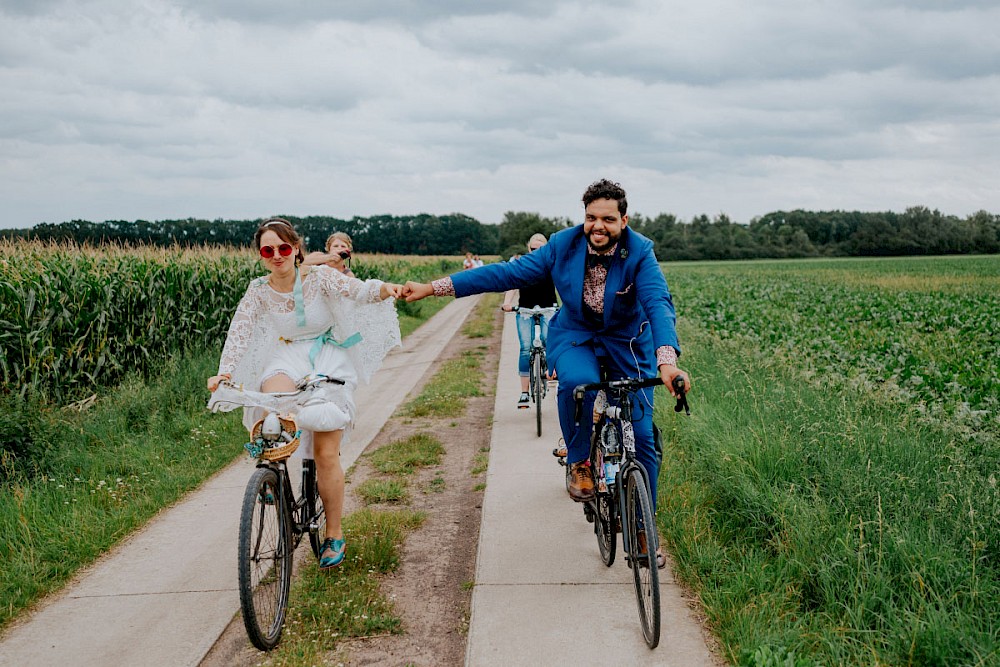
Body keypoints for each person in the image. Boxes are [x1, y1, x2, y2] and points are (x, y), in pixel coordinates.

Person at [403, 180, 690, 568]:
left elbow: (658, 302)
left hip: (628, 343)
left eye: (607, 218)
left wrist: (667, 361)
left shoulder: (640, 252)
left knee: (642, 440)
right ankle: (580, 461)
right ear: (583, 217)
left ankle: (643, 528)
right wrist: (433, 288)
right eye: (590, 217)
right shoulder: (561, 245)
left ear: (624, 219)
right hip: (575, 338)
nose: (598, 226)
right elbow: (503, 275)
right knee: (575, 384)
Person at [207, 218, 403, 570]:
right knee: (272, 408)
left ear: (296, 248)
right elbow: (239, 330)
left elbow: (356, 292)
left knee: (326, 452)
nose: (277, 255)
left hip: (329, 355)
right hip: (287, 357)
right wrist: (225, 372)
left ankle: (334, 533)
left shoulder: (320, 276)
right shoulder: (258, 290)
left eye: (284, 248)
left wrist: (386, 288)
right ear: (261, 255)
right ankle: (272, 474)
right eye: (268, 250)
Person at [501, 233, 559, 409]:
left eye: (540, 249)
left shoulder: (552, 264)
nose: (536, 252)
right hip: (525, 309)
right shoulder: (522, 264)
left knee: (550, 341)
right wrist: (507, 302)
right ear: (528, 249)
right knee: (526, 347)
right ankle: (524, 392)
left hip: (549, 308)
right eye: (533, 249)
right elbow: (512, 284)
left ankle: (551, 375)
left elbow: (563, 283)